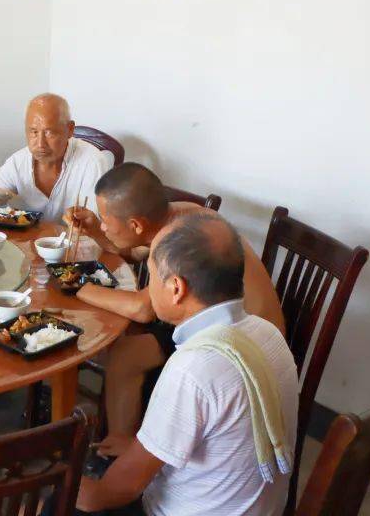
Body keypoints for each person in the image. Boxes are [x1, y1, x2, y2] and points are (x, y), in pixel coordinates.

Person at [75, 212, 298, 515]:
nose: (148, 287)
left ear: (176, 288)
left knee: (57, 503)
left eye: (151, 276)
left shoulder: (193, 368)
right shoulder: (268, 333)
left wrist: (61, 486)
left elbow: (116, 491)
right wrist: (141, 448)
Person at [65, 163, 286, 463]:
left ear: (136, 224)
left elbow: (146, 308)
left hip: (239, 349)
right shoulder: (180, 214)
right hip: (238, 327)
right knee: (128, 344)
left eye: (105, 220)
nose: (102, 226)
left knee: (127, 352)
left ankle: (125, 452)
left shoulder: (174, 237)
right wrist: (96, 231)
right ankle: (123, 439)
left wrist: (79, 287)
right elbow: (140, 250)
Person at [0, 93, 114, 224]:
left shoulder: (93, 162)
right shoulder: (18, 162)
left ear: (69, 130)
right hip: (27, 250)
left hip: (75, 251)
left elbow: (97, 226)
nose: (40, 144)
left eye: (49, 133)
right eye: (34, 132)